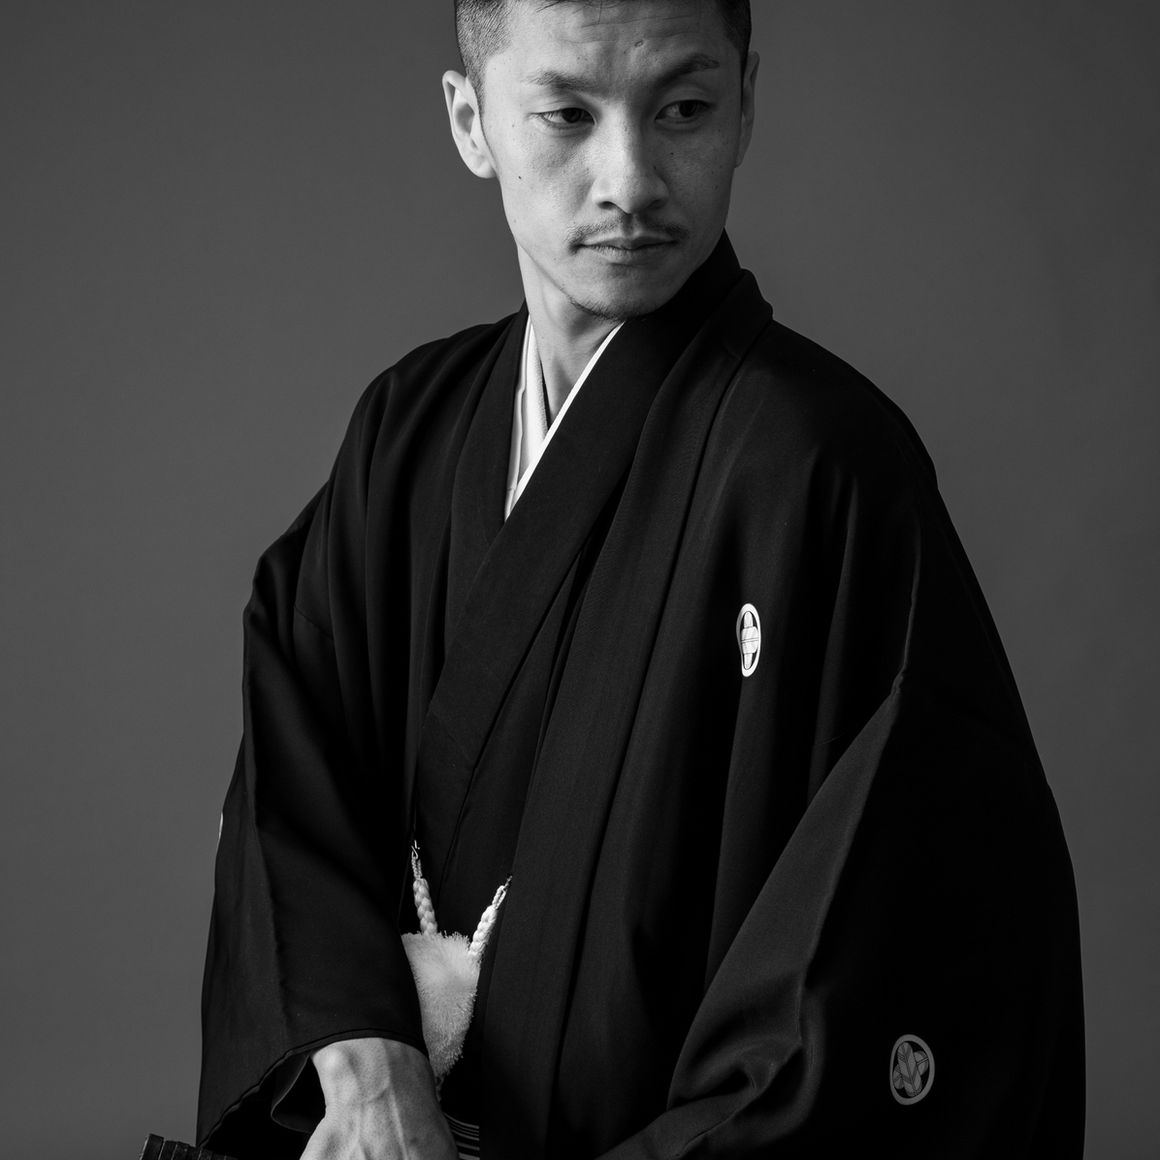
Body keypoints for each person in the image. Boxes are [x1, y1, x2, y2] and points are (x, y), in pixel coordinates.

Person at [197, 2, 1085, 1157]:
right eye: (566, 114)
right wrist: (365, 1069)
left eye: (682, 108)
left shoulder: (823, 470)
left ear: (744, 104)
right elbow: (291, 783)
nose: (628, 180)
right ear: (470, 121)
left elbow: (879, 962)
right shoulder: (406, 432)